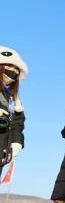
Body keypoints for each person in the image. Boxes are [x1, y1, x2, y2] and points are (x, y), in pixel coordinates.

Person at [0, 46, 28, 176]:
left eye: (17, 69)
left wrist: (16, 143)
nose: (14, 71)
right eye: (10, 66)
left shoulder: (15, 100)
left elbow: (18, 124)